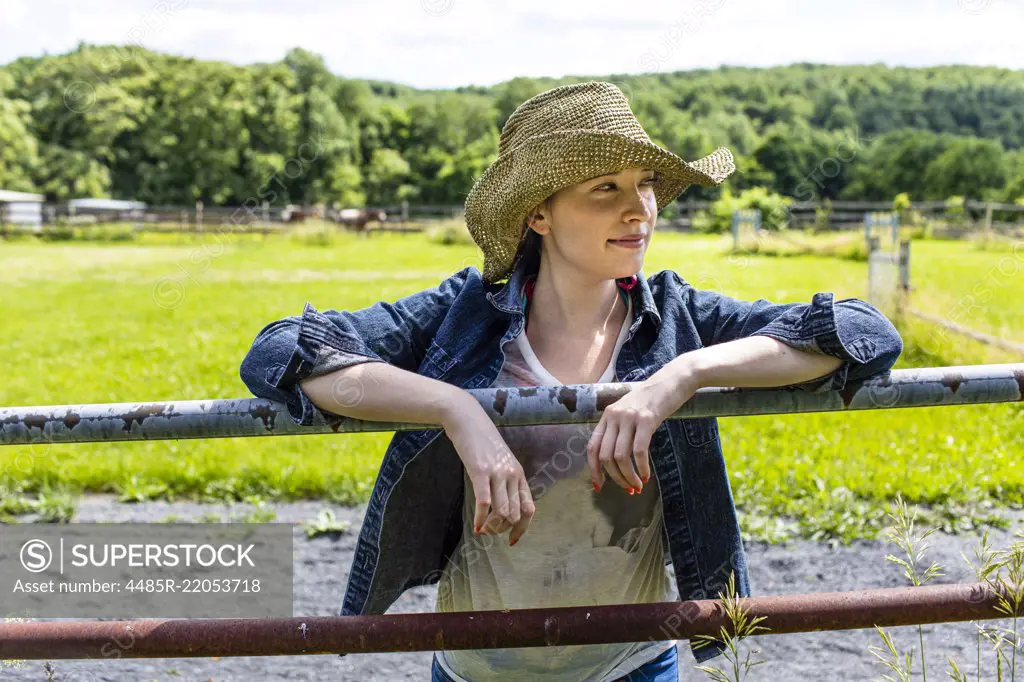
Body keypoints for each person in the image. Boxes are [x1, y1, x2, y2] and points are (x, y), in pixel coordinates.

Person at [239, 81, 904, 681]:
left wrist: (684, 373)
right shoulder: (462, 315)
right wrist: (455, 409)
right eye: (605, 189)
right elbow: (285, 352)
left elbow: (859, 332)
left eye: (644, 183)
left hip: (633, 664)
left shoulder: (678, 318)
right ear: (538, 214)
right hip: (476, 672)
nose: (638, 207)